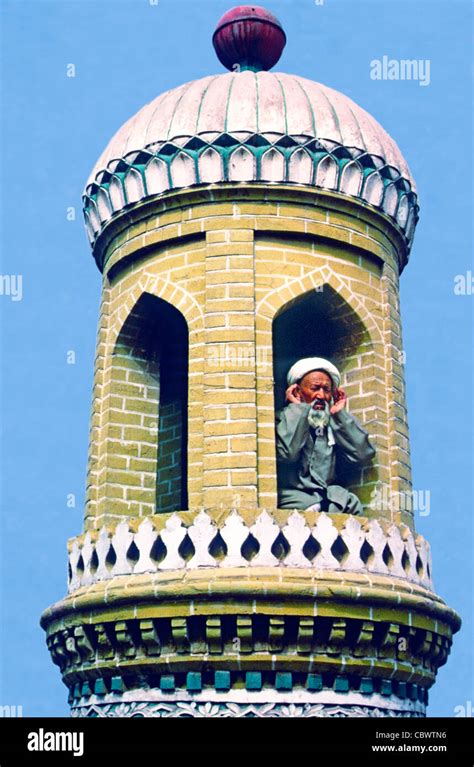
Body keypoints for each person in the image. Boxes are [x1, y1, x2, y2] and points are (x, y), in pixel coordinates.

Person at [275, 357, 376, 514]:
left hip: (327, 496)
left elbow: (362, 455)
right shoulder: (281, 419)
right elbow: (287, 453)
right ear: (297, 391)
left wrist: (338, 414)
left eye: (326, 390)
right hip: (292, 497)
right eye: (315, 388)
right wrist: (299, 410)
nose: (321, 396)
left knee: (351, 505)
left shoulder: (333, 425)